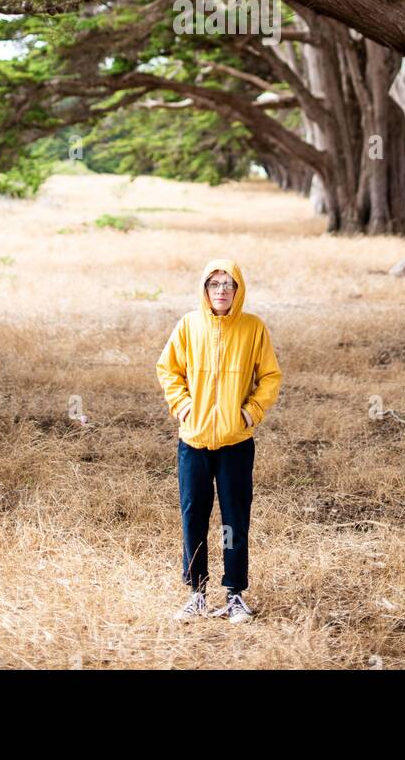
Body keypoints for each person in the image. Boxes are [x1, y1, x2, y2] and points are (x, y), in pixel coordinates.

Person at [155, 258, 282, 622]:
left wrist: (250, 412)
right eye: (215, 284)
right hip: (193, 442)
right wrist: (182, 407)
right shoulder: (189, 325)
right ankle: (196, 592)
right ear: (204, 289)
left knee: (232, 519)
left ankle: (234, 593)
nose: (222, 291)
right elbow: (168, 369)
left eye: (229, 284)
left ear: (238, 290)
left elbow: (270, 376)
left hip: (235, 444)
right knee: (194, 515)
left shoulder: (253, 328)